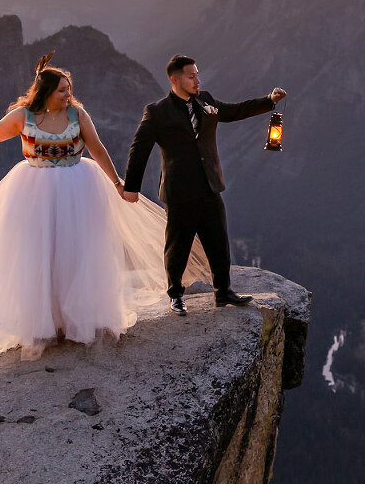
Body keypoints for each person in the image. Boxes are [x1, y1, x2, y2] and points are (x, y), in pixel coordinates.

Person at [0, 52, 208, 356]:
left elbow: (96, 148)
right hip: (34, 188)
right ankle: (43, 321)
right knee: (38, 253)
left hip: (78, 185)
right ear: (46, 92)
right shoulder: (24, 115)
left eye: (69, 89)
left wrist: (118, 183)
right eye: (62, 90)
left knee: (77, 252)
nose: (69, 95)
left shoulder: (77, 115)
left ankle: (76, 320)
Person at [121, 55, 286, 315]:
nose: (198, 79)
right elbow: (139, 149)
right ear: (175, 80)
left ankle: (223, 292)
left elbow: (234, 111)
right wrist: (132, 187)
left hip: (210, 186)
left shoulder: (206, 101)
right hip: (179, 192)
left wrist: (269, 101)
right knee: (178, 245)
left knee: (218, 240)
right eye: (191, 76)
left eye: (197, 74)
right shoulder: (157, 112)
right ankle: (175, 294)